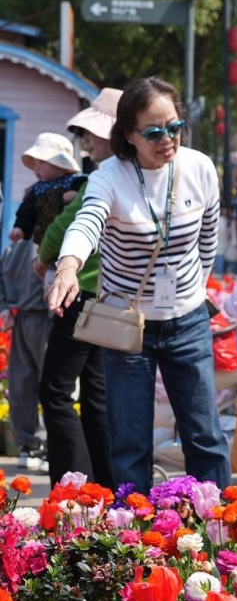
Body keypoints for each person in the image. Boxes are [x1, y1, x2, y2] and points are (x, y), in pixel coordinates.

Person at [46, 77, 231, 494]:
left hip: (188, 321)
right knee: (130, 442)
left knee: (205, 436)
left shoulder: (199, 168)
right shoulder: (109, 176)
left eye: (175, 127)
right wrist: (69, 266)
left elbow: (207, 243)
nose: (167, 139)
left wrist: (190, 293)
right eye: (153, 132)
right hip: (127, 324)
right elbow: (87, 222)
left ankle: (220, 522)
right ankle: (136, 528)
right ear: (129, 134)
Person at [37, 88, 122, 488]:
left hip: (82, 295)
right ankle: (105, 485)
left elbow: (61, 229)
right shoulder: (134, 176)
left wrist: (44, 258)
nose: (86, 142)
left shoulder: (102, 179)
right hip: (113, 300)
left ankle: (73, 487)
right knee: (97, 397)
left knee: (55, 392)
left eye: (91, 134)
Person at [0, 230, 49, 471]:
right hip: (23, 317)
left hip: (49, 318)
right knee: (20, 384)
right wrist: (4, 307)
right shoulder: (14, 248)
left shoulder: (51, 237)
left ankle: (49, 445)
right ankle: (30, 444)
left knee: (51, 386)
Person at [12, 134, 86, 248]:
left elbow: (90, 199)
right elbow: (26, 213)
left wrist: (77, 195)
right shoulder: (37, 189)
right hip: (44, 243)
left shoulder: (78, 182)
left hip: (72, 240)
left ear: (60, 164)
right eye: (34, 163)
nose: (36, 168)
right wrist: (20, 228)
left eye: (41, 162)